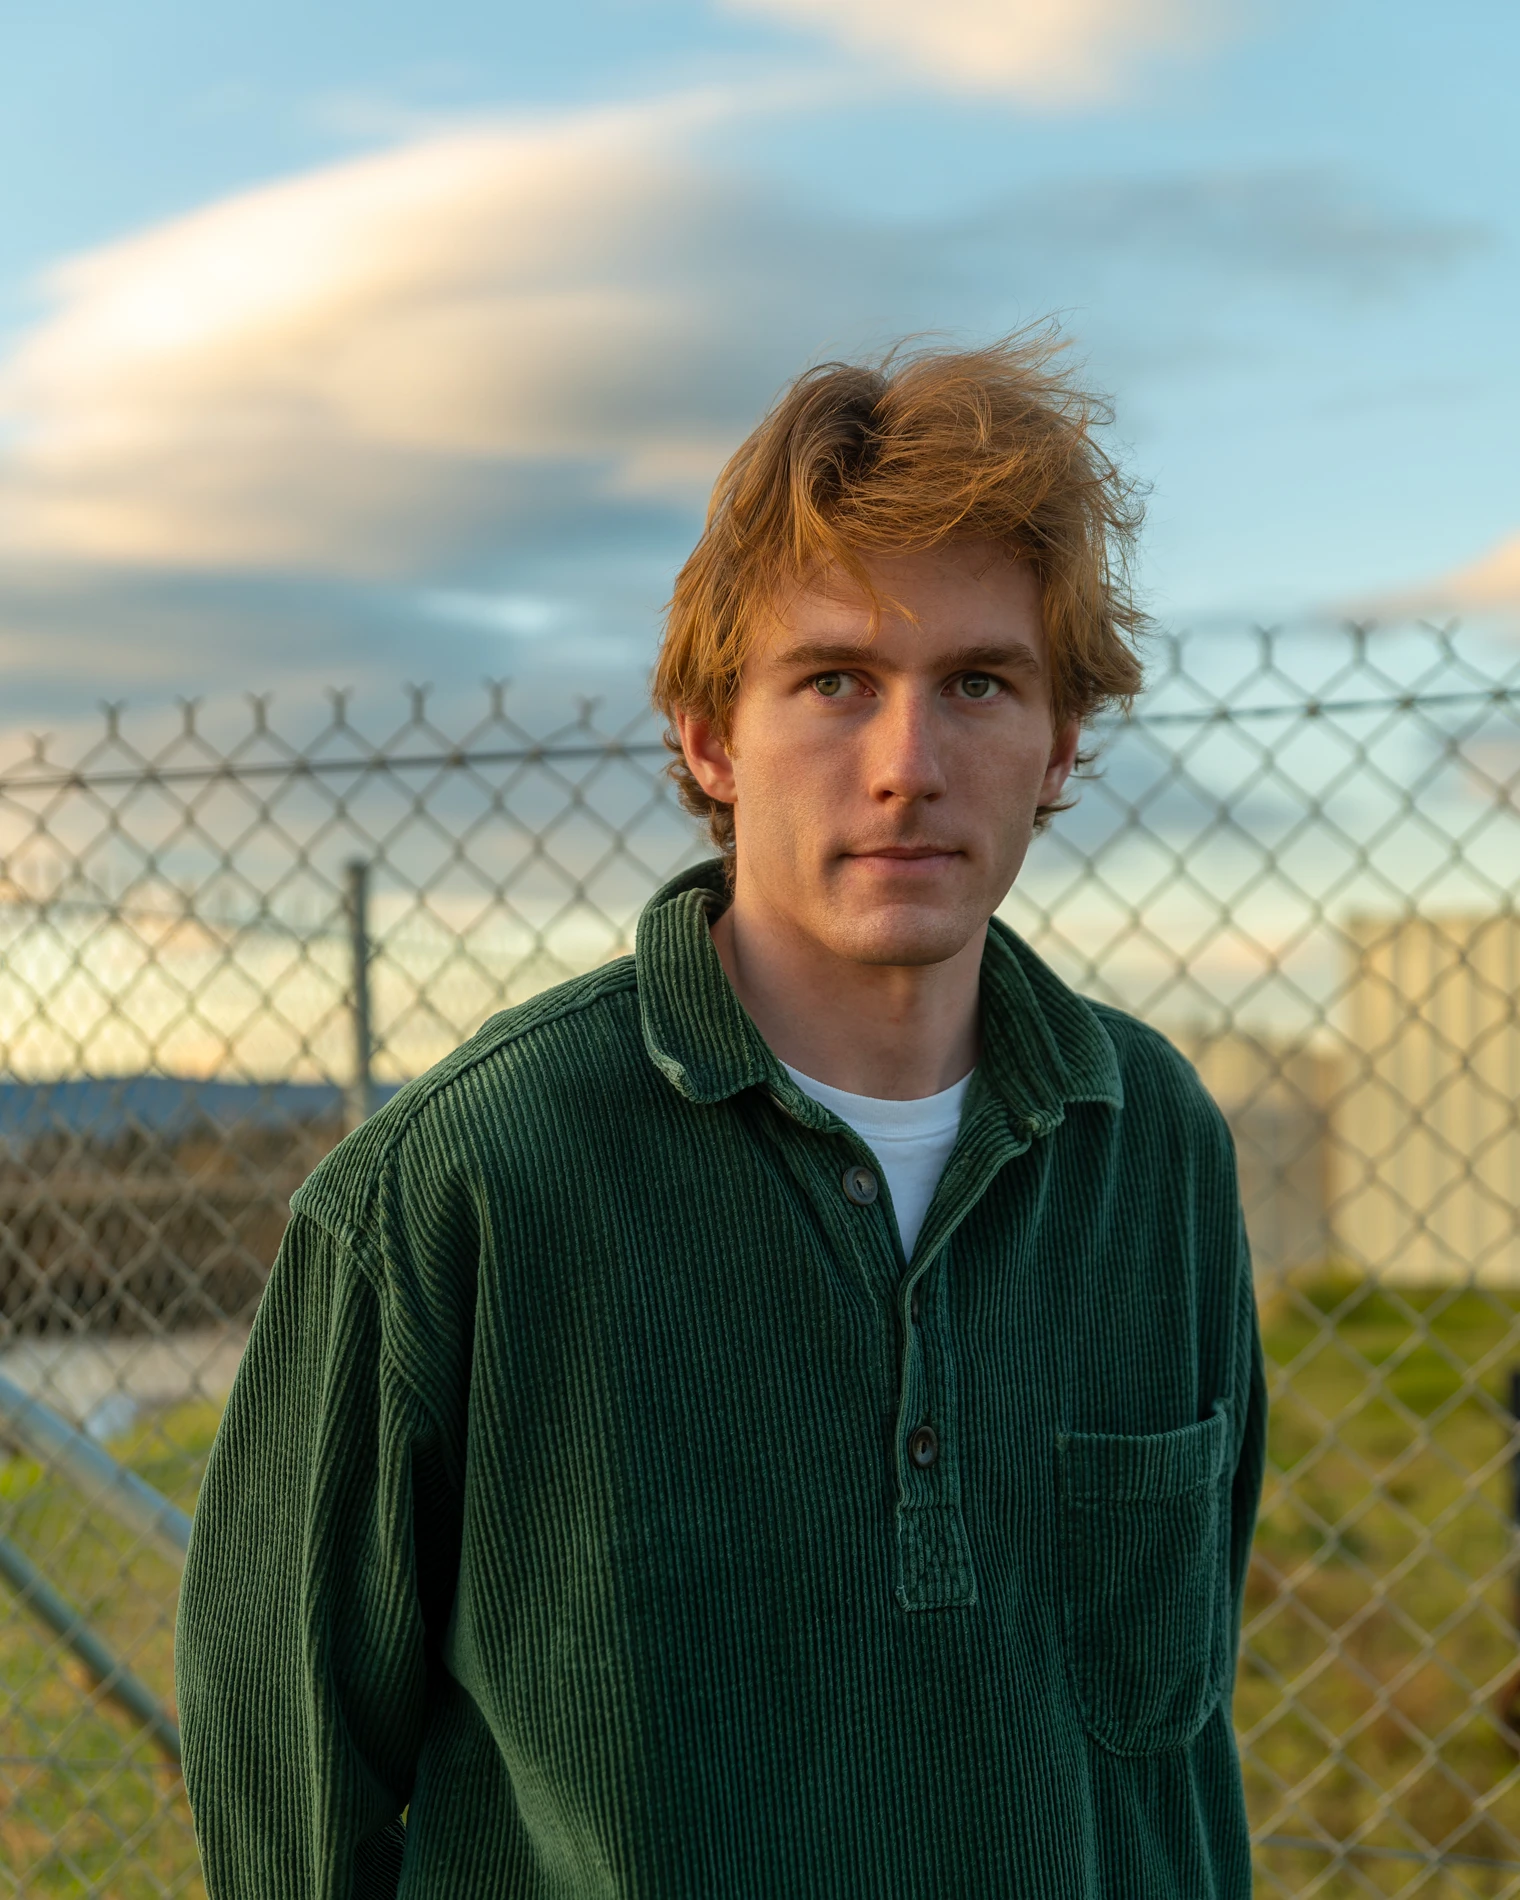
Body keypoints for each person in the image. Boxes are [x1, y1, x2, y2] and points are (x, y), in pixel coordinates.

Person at [176, 335, 1267, 1898]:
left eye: (978, 683)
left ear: (1062, 745)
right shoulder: (466, 1183)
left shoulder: (1153, 1138)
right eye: (834, 682)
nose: (908, 767)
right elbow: (287, 1771)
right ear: (707, 738)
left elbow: (1175, 1730)